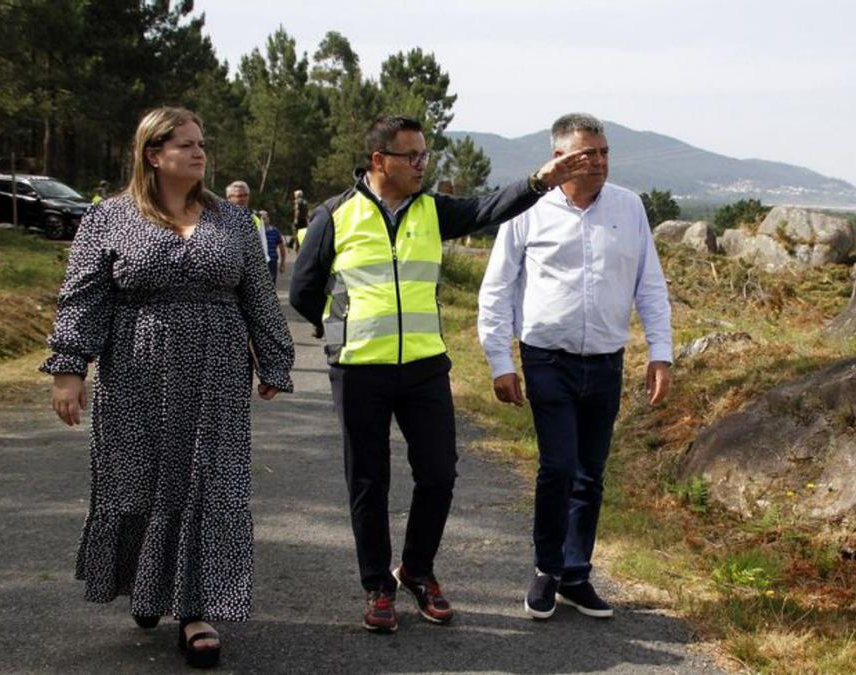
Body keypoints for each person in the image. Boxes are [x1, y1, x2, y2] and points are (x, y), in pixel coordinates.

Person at [289, 115, 592, 634]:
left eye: (425, 156)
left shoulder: (432, 211)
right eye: (412, 157)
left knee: (439, 474)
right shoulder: (334, 216)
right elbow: (304, 291)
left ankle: (417, 570)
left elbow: (489, 207)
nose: (422, 165)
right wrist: (339, 336)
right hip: (360, 371)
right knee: (368, 480)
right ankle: (377, 586)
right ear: (379, 160)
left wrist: (541, 180)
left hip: (425, 368)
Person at [41, 106, 294, 668]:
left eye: (201, 143)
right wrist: (68, 368)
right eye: (185, 144)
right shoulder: (108, 218)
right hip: (134, 370)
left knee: (207, 481)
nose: (199, 152)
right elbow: (84, 297)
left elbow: (257, 293)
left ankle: (195, 610)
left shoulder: (231, 223)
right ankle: (149, 585)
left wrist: (274, 358)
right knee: (139, 480)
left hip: (216, 373)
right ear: (153, 155)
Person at [477, 113, 673, 621]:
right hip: (547, 359)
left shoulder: (629, 208)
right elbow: (497, 289)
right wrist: (501, 360)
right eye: (590, 154)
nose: (601, 161)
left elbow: (649, 284)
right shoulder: (529, 209)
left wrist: (660, 351)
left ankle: (576, 574)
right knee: (558, 467)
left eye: (605, 151)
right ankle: (546, 568)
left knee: (591, 474)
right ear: (561, 158)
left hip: (607, 361)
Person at [226, 180, 270, 264]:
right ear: (229, 198)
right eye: (239, 196)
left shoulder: (256, 218)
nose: (244, 199)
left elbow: (263, 246)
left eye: (246, 195)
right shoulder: (219, 217)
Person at [259, 210, 288, 284]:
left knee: (271, 283)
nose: (262, 221)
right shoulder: (255, 231)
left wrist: (282, 264)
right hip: (259, 261)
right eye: (260, 218)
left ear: (268, 219)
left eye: (264, 218)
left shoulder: (275, 231)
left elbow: (282, 248)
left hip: (272, 261)